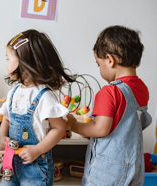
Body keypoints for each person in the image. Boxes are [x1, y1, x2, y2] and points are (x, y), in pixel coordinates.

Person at [66, 25, 152, 186]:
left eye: (99, 64)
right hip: (135, 167)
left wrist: (73, 125)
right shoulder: (142, 89)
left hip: (109, 171)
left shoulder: (109, 91)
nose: (99, 68)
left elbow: (100, 129)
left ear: (110, 60)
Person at [0, 29, 76, 186]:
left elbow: (59, 128)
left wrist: (38, 150)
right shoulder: (13, 93)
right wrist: (2, 138)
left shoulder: (44, 96)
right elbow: (6, 119)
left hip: (35, 166)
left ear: (24, 60)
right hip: (11, 162)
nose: (6, 63)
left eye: (8, 58)